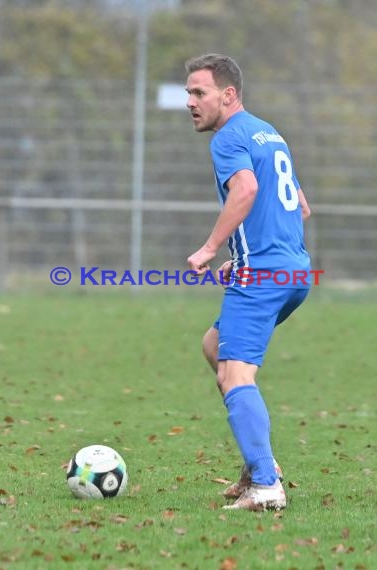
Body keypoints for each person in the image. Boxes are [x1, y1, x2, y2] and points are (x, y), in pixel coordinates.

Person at [184, 53, 311, 511]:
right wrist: (252, 251)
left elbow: (247, 191)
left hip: (263, 274)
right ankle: (258, 461)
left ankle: (265, 486)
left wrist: (211, 247)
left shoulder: (228, 138)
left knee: (233, 373)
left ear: (228, 94)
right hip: (294, 271)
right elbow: (299, 203)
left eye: (199, 92)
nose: (191, 102)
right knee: (214, 346)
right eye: (188, 93)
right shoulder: (268, 132)